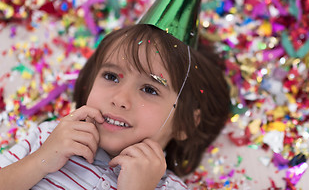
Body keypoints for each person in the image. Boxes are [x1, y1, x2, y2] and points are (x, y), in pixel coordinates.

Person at [0, 23, 230, 189]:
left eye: (150, 89)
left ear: (186, 122)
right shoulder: (49, 137)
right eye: (111, 76)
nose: (120, 99)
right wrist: (41, 160)